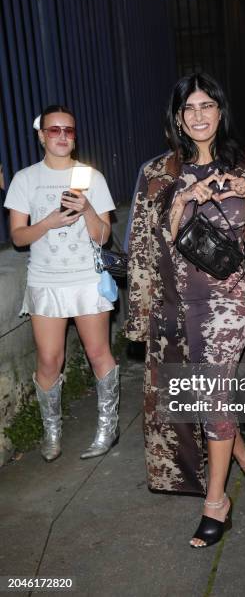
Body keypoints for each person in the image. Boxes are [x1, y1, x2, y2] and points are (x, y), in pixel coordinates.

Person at [125, 73, 245, 548]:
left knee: (211, 393)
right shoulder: (158, 173)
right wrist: (183, 200)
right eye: (189, 108)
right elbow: (151, 244)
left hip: (228, 300)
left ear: (220, 112)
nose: (198, 116)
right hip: (179, 301)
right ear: (177, 117)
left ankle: (216, 503)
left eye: (207, 106)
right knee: (203, 395)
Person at [4, 105, 119, 463]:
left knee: (99, 353)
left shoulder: (90, 177)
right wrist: (50, 222)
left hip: (86, 280)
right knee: (49, 360)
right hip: (46, 282)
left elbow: (102, 237)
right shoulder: (26, 179)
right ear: (41, 135)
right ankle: (51, 430)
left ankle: (108, 427)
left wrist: (86, 209)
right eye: (54, 130)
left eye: (68, 130)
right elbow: (19, 238)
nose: (62, 136)